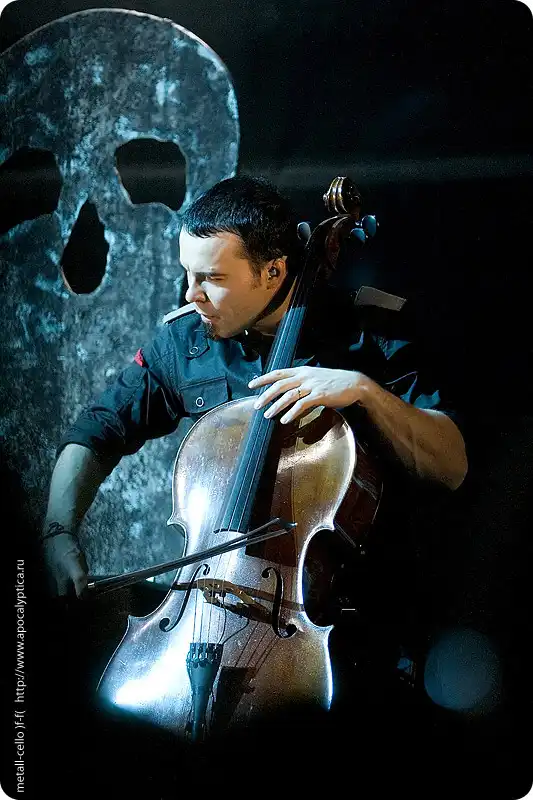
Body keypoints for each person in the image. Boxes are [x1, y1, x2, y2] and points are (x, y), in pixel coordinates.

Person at [39, 176, 467, 781]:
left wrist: (366, 391)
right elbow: (96, 431)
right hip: (204, 606)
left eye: (210, 278)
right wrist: (58, 529)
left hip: (348, 626)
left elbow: (452, 464)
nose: (191, 294)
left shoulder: (374, 331)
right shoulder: (186, 341)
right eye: (187, 273)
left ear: (273, 271)